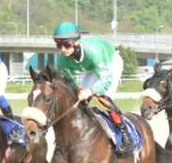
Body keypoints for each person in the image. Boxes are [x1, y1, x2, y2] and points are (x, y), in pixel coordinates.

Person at [53, 21, 136, 154]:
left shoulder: (94, 51)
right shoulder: (62, 58)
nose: (63, 49)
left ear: (75, 42)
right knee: (76, 99)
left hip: (110, 61)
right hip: (90, 67)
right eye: (59, 45)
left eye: (66, 44)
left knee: (103, 97)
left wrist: (90, 91)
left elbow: (106, 80)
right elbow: (69, 80)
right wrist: (77, 90)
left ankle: (125, 135)